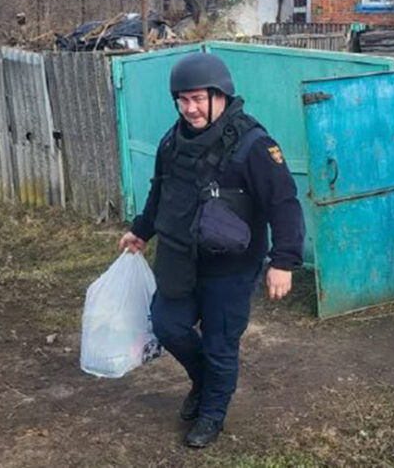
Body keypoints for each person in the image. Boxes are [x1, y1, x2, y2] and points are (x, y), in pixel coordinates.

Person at [118, 52, 305, 449]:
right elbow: (161, 189)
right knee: (166, 324)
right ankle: (203, 383)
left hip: (231, 267)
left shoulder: (254, 144)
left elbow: (284, 202)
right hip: (178, 257)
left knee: (221, 345)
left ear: (220, 96)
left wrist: (284, 261)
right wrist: (141, 230)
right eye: (183, 100)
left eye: (199, 99)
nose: (190, 109)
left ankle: (212, 414)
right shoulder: (173, 141)